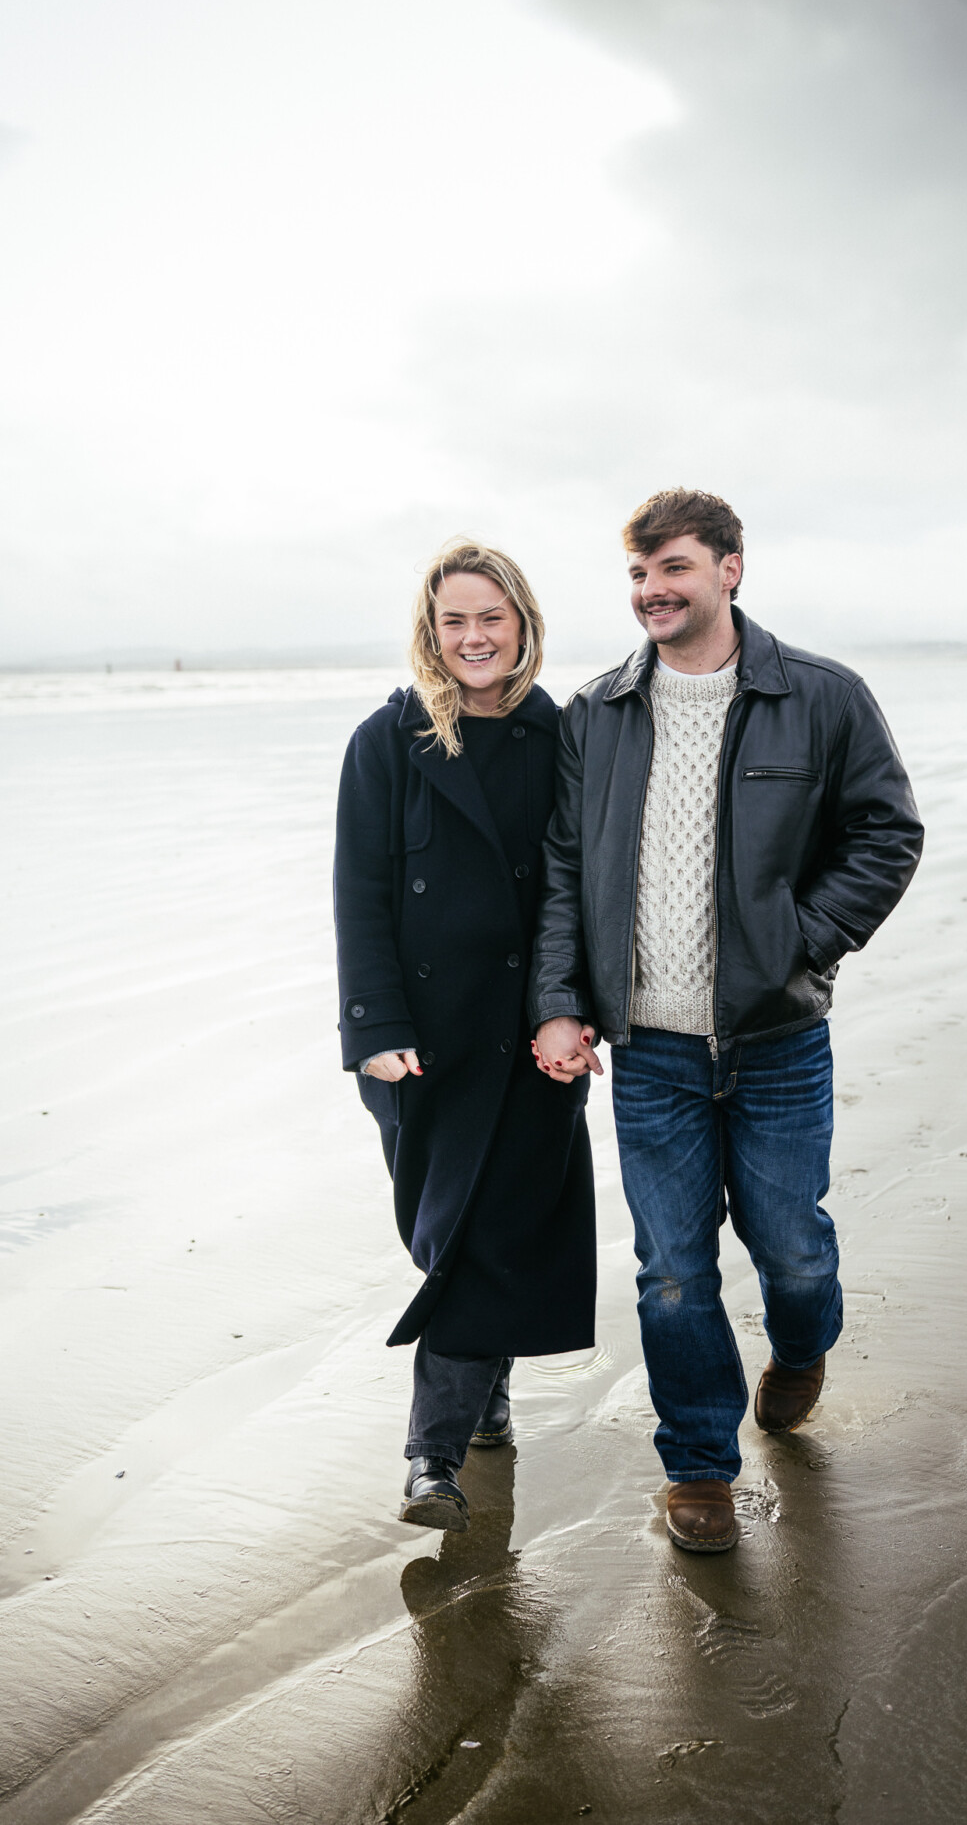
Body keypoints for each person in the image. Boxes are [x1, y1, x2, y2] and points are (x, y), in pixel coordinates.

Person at [530, 489, 922, 1554]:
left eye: (674, 569)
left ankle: (799, 1353)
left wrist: (802, 939)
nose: (652, 592)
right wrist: (561, 1002)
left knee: (793, 1252)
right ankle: (700, 1467)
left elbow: (885, 834)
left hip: (779, 1041)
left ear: (730, 569)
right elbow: (563, 872)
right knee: (671, 1272)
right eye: (638, 575)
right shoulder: (596, 712)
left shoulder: (821, 697)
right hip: (647, 1052)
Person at [335, 540, 595, 1534]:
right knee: (441, 1234)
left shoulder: (561, 736)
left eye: (492, 617)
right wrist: (374, 1030)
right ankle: (485, 1406)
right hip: (421, 1044)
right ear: (431, 631)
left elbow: (583, 888)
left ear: (522, 623)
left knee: (488, 1238)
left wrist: (571, 1011)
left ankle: (431, 1460)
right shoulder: (387, 740)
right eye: (455, 620)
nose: (474, 636)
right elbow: (358, 895)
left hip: (532, 1038)